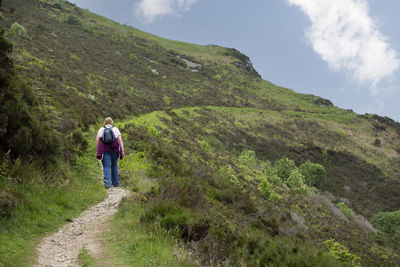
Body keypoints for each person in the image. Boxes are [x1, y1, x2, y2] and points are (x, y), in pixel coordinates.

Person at [96, 117, 125, 188]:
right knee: (114, 166)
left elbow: (97, 140)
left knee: (106, 166)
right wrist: (122, 151)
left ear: (105, 122)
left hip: (105, 151)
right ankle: (115, 184)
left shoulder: (101, 129)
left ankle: (107, 184)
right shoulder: (115, 129)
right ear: (112, 122)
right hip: (115, 150)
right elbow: (120, 141)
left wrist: (97, 150)